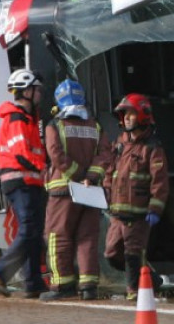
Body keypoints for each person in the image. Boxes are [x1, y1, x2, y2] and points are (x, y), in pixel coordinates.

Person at [39, 79, 112, 301]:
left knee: (57, 237)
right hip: (90, 193)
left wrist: (78, 176)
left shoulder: (55, 125)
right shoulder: (95, 126)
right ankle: (89, 287)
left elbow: (56, 154)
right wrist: (90, 177)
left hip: (63, 190)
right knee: (87, 238)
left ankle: (62, 285)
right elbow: (105, 155)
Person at [0, 69, 48, 299]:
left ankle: (33, 282)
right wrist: (43, 166)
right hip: (21, 181)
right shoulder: (17, 118)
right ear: (26, 91)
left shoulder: (28, 118)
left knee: (33, 231)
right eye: (37, 89)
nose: (40, 93)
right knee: (30, 229)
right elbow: (21, 153)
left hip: (29, 181)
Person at [103, 93, 169, 301]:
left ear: (142, 115)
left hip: (139, 215)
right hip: (116, 213)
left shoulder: (152, 148)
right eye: (124, 115)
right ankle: (149, 278)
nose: (126, 119)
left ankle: (135, 292)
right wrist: (104, 194)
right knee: (112, 254)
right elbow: (109, 172)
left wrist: (155, 209)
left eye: (130, 114)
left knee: (133, 253)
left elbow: (160, 182)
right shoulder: (120, 145)